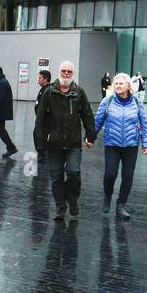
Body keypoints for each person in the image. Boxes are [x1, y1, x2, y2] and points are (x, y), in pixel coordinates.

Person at [33, 61, 96, 221]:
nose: (66, 74)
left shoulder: (79, 92)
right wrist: (40, 142)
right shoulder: (49, 92)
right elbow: (40, 118)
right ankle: (60, 206)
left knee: (73, 172)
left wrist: (90, 135)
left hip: (73, 143)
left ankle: (73, 200)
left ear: (73, 74)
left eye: (69, 71)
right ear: (59, 72)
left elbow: (87, 115)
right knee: (56, 177)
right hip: (53, 144)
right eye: (63, 71)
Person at [93, 73, 147, 221]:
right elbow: (98, 121)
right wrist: (90, 137)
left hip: (131, 145)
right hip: (112, 144)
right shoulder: (108, 101)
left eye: (121, 84)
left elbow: (144, 124)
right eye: (116, 84)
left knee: (127, 177)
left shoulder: (137, 102)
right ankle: (107, 196)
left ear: (128, 86)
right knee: (110, 174)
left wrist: (146, 144)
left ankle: (121, 205)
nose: (118, 86)